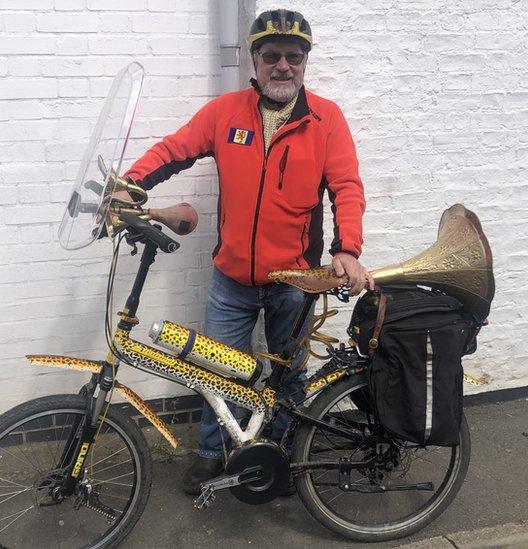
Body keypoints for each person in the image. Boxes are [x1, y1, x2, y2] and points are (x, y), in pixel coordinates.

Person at [122, 8, 372, 495]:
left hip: (294, 280)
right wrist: (130, 185)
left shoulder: (326, 119)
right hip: (231, 278)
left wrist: (347, 248)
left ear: (304, 62)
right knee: (217, 370)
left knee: (288, 378)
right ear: (255, 61)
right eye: (272, 55)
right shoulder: (225, 112)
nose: (283, 66)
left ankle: (280, 458)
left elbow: (347, 187)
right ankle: (214, 456)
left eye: (293, 57)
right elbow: (173, 149)